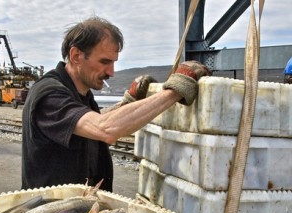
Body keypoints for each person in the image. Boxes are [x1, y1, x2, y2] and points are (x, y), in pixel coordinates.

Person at [21, 16, 211, 192]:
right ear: (76, 56)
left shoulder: (79, 93)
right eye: (104, 62)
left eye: (113, 63)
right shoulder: (49, 94)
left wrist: (128, 103)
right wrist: (176, 90)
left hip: (77, 211)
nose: (111, 72)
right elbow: (104, 128)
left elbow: (89, 121)